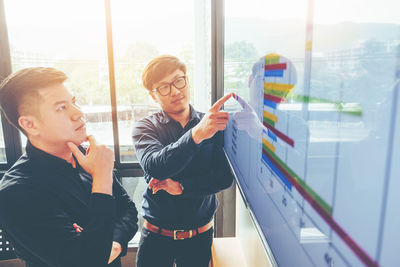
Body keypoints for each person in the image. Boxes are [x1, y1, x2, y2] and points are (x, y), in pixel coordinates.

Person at [0, 67, 138, 267]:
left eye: (73, 102)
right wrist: (101, 178)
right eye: (61, 108)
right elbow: (87, 262)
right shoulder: (15, 192)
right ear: (30, 124)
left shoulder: (86, 156)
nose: (78, 113)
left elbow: (128, 211)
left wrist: (112, 245)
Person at [132, 55, 234, 267]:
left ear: (187, 80)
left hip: (200, 237)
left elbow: (224, 178)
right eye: (164, 87)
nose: (175, 91)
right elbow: (156, 166)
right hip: (156, 236)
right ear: (153, 96)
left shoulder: (212, 124)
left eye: (179, 81)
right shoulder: (145, 128)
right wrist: (197, 135)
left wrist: (181, 186)